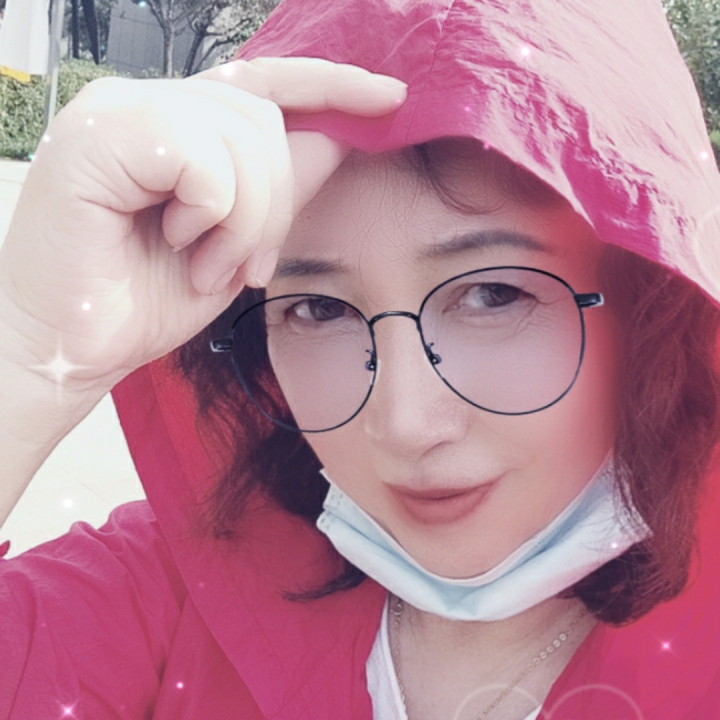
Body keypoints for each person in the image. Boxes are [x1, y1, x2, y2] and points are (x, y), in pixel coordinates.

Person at [1, 0, 720, 718]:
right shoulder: (171, 588)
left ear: (651, 309)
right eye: (319, 309)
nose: (405, 424)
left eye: (493, 295)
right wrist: (26, 355)